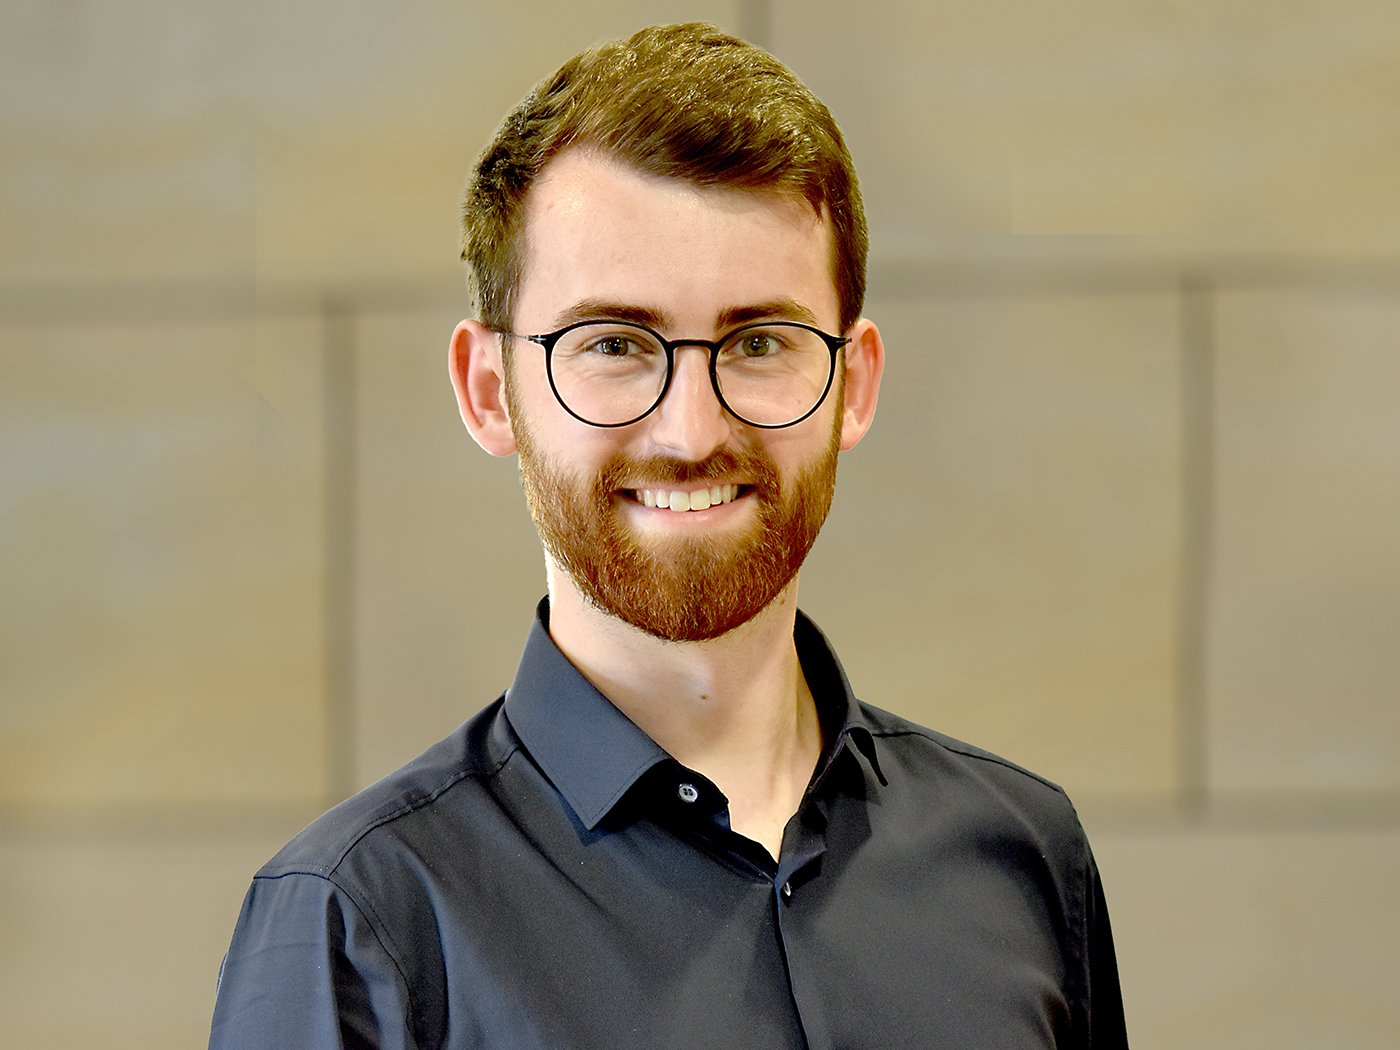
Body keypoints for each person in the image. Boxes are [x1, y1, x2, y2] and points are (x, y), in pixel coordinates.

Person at [209, 22, 1128, 1050]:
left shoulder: (1023, 861)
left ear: (854, 384)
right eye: (613, 344)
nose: (691, 432)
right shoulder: (362, 924)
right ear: (488, 390)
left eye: (759, 341)